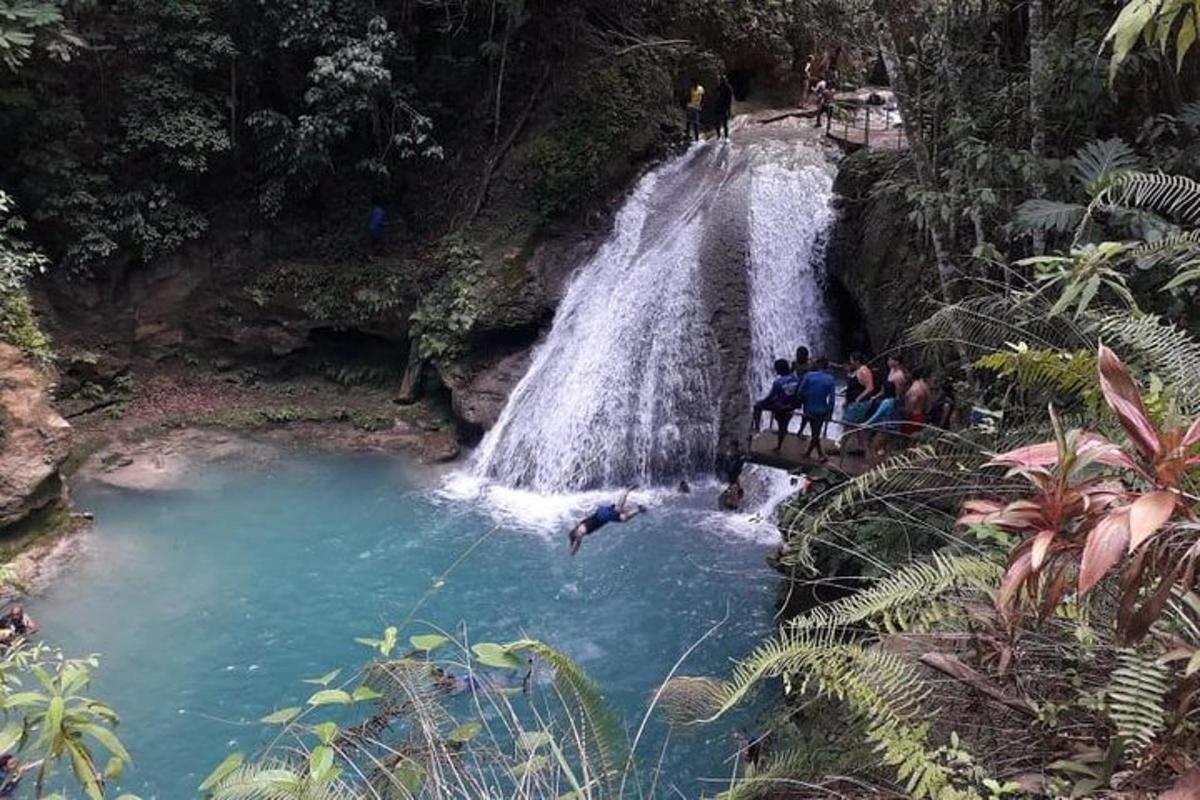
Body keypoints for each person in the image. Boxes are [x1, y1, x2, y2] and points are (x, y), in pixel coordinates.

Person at [568, 487, 647, 555]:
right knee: (623, 516)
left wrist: (576, 543)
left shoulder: (582, 530)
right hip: (602, 514)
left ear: (576, 533)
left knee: (619, 510)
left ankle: (626, 491)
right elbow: (577, 540)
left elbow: (580, 535)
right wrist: (573, 548)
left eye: (578, 536)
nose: (580, 538)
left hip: (603, 515)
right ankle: (638, 508)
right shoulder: (579, 528)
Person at [752, 359, 802, 453]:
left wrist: (761, 402)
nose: (775, 370)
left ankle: (757, 428)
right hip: (792, 405)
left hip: (781, 406)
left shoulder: (778, 383)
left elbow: (770, 398)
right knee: (783, 425)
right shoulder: (796, 379)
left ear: (779, 370)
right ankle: (779, 445)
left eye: (776, 369)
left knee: (757, 406)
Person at [797, 357, 836, 461]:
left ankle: (816, 454)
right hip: (821, 410)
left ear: (817, 365)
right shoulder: (830, 379)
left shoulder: (808, 376)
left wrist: (806, 400)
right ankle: (815, 454)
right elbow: (832, 400)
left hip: (809, 409)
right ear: (827, 366)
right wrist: (830, 414)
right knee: (816, 433)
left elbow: (800, 392)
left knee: (815, 433)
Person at [863, 381, 900, 465]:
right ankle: (884, 466)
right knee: (887, 450)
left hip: (886, 430)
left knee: (874, 447)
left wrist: (866, 424)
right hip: (896, 430)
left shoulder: (886, 402)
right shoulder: (896, 401)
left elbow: (877, 415)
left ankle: (873, 466)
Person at [843, 352, 875, 424]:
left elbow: (870, 387)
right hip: (852, 402)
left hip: (859, 404)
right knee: (847, 423)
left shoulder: (863, 371)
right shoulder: (857, 371)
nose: (850, 362)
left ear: (857, 361)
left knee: (851, 425)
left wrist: (859, 398)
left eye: (851, 360)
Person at [902, 368, 933, 436]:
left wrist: (905, 414)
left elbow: (910, 406)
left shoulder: (914, 389)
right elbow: (930, 403)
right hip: (922, 415)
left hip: (914, 417)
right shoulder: (925, 387)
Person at [714, 74, 733, 141]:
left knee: (725, 123)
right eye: (722, 80)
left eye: (723, 80)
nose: (722, 81)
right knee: (717, 122)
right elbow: (716, 94)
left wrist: (729, 109)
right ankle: (718, 136)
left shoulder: (728, 88)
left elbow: (730, 99)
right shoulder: (720, 87)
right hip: (719, 106)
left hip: (724, 107)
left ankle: (726, 137)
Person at [686, 77, 705, 142]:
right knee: (688, 121)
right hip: (690, 106)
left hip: (696, 107)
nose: (694, 84)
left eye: (695, 82)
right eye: (693, 83)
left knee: (695, 123)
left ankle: (696, 138)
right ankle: (687, 135)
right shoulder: (690, 89)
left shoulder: (700, 88)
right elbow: (687, 96)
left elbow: (703, 97)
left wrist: (702, 104)